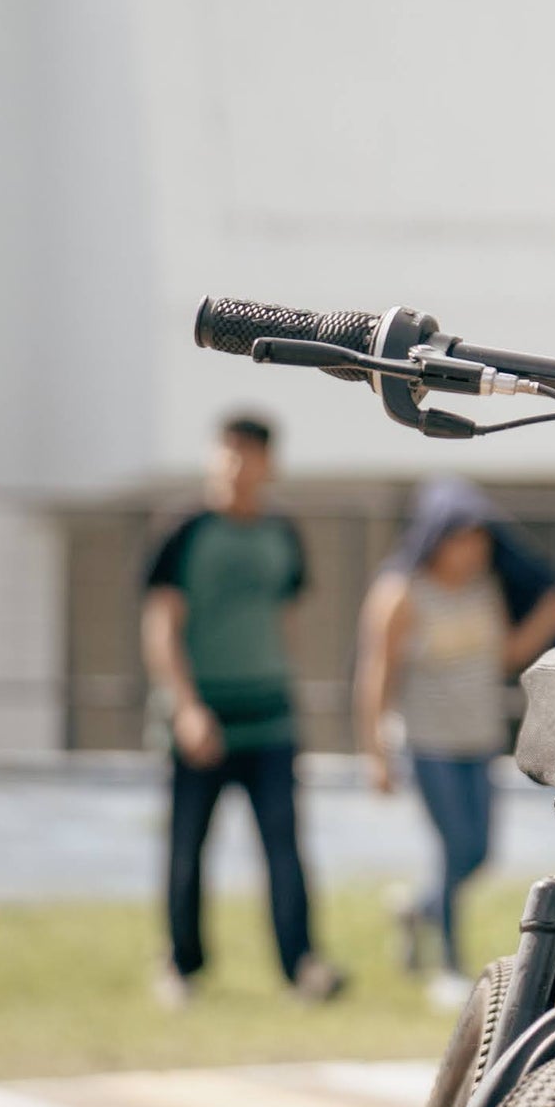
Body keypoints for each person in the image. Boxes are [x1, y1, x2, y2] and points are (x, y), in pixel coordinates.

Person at [142, 413, 341, 1006]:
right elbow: (161, 626)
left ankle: (301, 964)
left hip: (270, 719)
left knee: (284, 847)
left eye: (248, 453)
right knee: (187, 848)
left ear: (268, 463)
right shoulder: (184, 532)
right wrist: (186, 708)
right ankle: (181, 966)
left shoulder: (283, 534)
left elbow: (286, 619)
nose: (235, 464)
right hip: (203, 719)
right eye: (226, 450)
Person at [356, 478, 555, 1006]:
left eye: (480, 540)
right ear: (437, 538)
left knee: (479, 852)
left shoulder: (485, 587)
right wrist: (375, 753)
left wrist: (552, 614)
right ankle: (448, 962)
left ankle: (419, 907)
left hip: (478, 736)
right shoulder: (401, 591)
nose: (473, 551)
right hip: (429, 740)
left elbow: (504, 653)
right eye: (462, 539)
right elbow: (376, 675)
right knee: (454, 847)